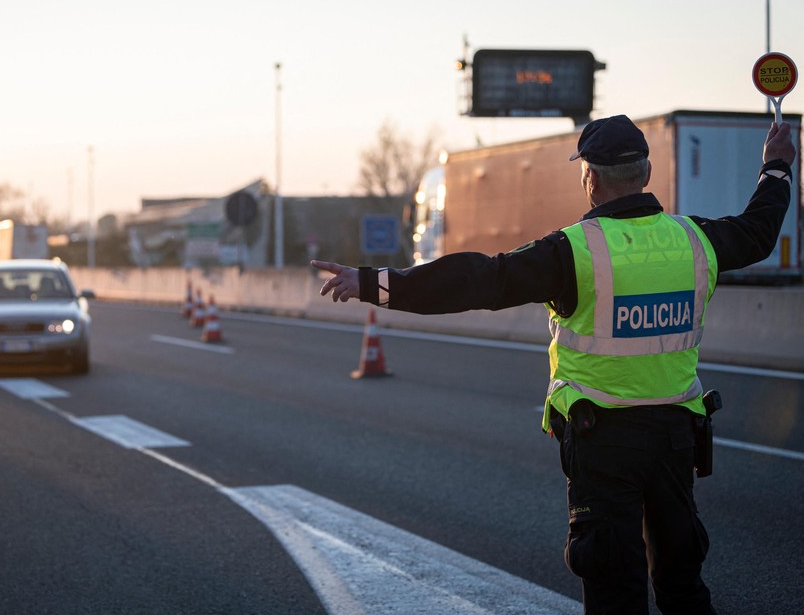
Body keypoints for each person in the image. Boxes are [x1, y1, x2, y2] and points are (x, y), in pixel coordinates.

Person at [311, 115, 796, 615]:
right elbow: (757, 233)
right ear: (646, 175)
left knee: (615, 590)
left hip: (604, 442)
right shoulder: (695, 240)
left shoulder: (573, 251)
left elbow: (481, 279)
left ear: (591, 178)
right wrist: (776, 167)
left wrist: (377, 284)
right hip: (676, 437)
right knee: (683, 585)